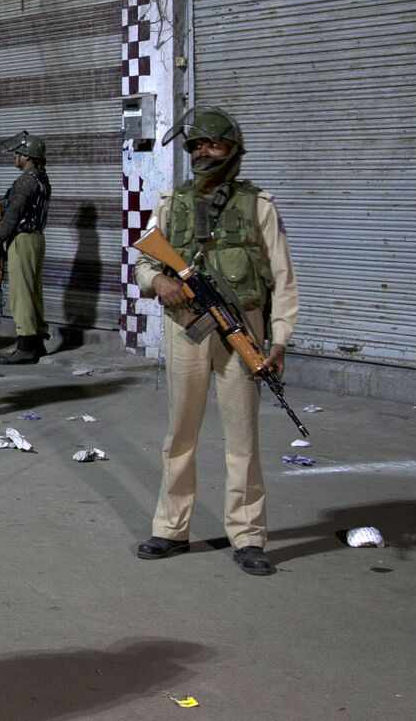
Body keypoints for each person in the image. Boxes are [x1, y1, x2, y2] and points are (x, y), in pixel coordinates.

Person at [133, 106, 298, 577]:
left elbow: (284, 280)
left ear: (233, 148)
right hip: (187, 325)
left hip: (242, 327)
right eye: (195, 146)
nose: (204, 153)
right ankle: (171, 527)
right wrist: (157, 283)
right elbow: (145, 261)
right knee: (180, 431)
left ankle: (248, 536)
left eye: (213, 144)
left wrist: (279, 342)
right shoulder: (171, 201)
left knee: (242, 437)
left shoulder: (258, 205)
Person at [0, 131, 52, 364]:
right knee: (33, 291)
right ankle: (37, 342)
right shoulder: (41, 178)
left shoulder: (26, 180)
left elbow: (13, 214)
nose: (14, 157)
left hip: (23, 238)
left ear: (27, 156)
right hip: (37, 237)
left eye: (17, 153)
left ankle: (26, 346)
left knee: (21, 293)